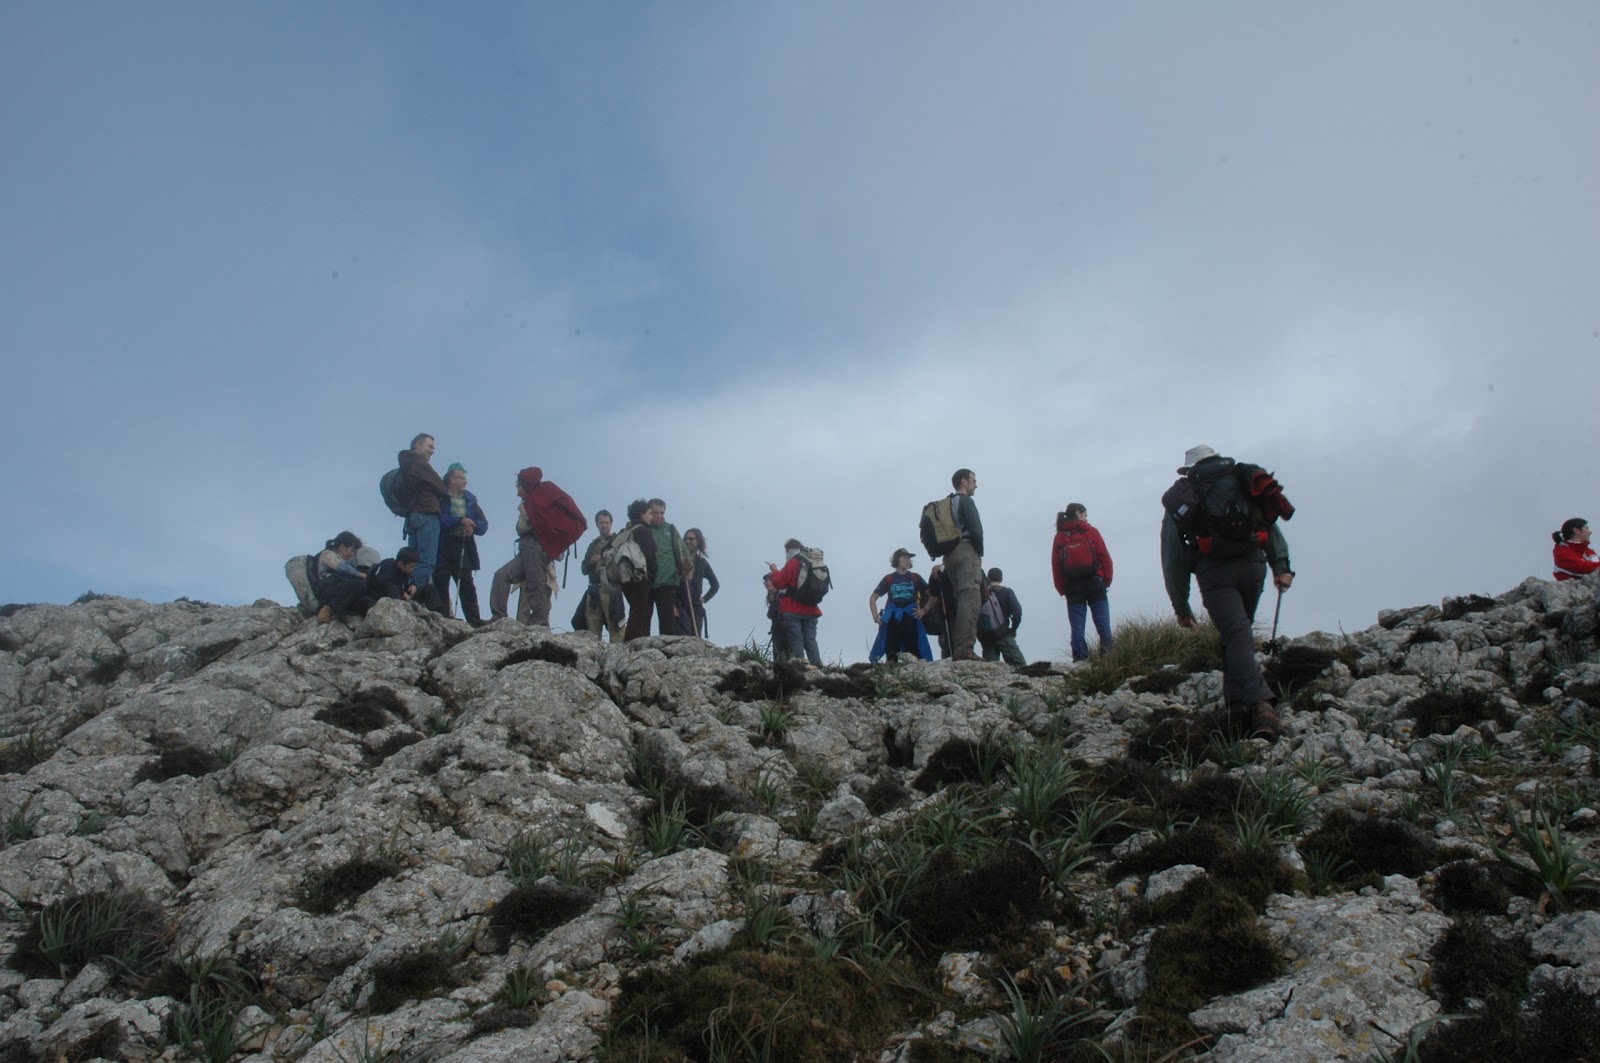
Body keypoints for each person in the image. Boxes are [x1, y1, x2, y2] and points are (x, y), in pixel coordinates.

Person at [1161, 445, 1294, 741]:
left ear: (1189, 469)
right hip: (1253, 565)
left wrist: (1181, 606)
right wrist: (1281, 566)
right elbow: (1268, 525)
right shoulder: (1242, 480)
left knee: (1236, 634)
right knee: (1237, 634)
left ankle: (1262, 707)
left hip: (1215, 573)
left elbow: (1173, 557)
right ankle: (1236, 708)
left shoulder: (1186, 494)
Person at [489, 468, 554, 626]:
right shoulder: (529, 501)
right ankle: (499, 618)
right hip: (526, 548)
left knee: (535, 585)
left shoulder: (537, 501)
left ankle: (540, 623)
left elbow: (541, 523)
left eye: (518, 484)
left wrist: (526, 513)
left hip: (535, 547)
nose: (516, 487)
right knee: (501, 575)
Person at [1052, 503, 1115, 661]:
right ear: (1078, 513)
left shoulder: (1060, 536)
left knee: (1077, 626)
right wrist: (1106, 581)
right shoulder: (1091, 531)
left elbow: (1056, 565)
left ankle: (1080, 658)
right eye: (1085, 515)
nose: (1086, 519)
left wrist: (1062, 589)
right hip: (1095, 582)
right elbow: (1104, 557)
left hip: (1073, 586)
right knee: (1103, 623)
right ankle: (1109, 656)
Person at [433, 463, 488, 625]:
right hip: (444, 544)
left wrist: (473, 525)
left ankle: (475, 621)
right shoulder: (441, 497)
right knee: (441, 580)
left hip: (463, 544)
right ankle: (443, 619)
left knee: (466, 583)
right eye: (462, 477)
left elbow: (483, 524)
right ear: (452, 479)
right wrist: (459, 520)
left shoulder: (470, 500)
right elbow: (437, 519)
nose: (465, 481)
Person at [397, 433, 448, 603]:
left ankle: (409, 592)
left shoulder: (406, 464)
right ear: (418, 445)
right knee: (426, 560)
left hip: (413, 517)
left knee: (413, 559)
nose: (432, 451)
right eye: (430, 446)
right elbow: (441, 487)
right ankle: (417, 596)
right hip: (427, 514)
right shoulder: (419, 463)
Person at [942, 469, 985, 661]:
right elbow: (976, 530)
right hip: (966, 550)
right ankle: (964, 650)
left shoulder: (947, 503)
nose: (976, 485)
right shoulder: (965, 501)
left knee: (960, 599)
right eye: (973, 481)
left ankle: (956, 648)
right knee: (970, 598)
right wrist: (979, 552)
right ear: (964, 482)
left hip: (949, 554)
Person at [869, 548, 933, 663]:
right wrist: (876, 617)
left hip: (911, 616)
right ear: (897, 560)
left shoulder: (915, 577)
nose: (908, 560)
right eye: (905, 557)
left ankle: (914, 670)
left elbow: (932, 594)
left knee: (913, 650)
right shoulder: (888, 579)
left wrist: (924, 610)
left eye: (909, 558)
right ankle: (892, 670)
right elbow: (873, 598)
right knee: (891, 651)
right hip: (893, 617)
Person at [768, 538, 823, 666]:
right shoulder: (812, 562)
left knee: (796, 640)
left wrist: (774, 571)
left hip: (793, 609)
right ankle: (817, 667)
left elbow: (780, 583)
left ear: (788, 549)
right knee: (810, 640)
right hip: (811, 609)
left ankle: (801, 667)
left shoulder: (792, 562)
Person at [646, 498, 693, 636]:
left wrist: (688, 566)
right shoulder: (643, 529)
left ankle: (666, 647)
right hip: (647, 581)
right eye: (655, 513)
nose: (659, 516)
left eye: (662, 513)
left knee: (667, 622)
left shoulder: (670, 529)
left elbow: (681, 550)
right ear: (649, 512)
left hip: (668, 581)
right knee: (644, 619)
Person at [578, 509, 626, 641]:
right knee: (593, 624)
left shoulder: (617, 541)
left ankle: (618, 652)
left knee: (615, 623)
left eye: (606, 522)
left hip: (611, 587)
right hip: (594, 588)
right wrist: (591, 562)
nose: (604, 525)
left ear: (611, 523)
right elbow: (584, 569)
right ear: (597, 524)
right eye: (601, 523)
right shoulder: (593, 545)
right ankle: (594, 651)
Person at [314, 531, 377, 622]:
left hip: (342, 590)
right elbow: (341, 567)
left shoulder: (348, 563)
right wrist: (359, 574)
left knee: (365, 598)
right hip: (328, 588)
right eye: (352, 550)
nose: (353, 554)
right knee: (355, 585)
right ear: (342, 546)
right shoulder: (327, 554)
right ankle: (327, 609)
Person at [620, 499, 658, 641]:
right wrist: (652, 575)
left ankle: (630, 642)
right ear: (642, 514)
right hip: (641, 576)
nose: (651, 517)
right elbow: (650, 554)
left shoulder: (627, 531)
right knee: (641, 613)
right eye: (649, 513)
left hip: (626, 578)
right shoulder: (644, 531)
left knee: (634, 611)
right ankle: (634, 643)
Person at [368, 547, 441, 608]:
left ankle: (437, 614)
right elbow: (385, 583)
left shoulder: (405, 572)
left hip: (402, 598)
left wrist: (412, 586)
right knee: (393, 588)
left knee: (429, 588)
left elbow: (403, 586)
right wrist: (402, 592)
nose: (413, 570)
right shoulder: (387, 565)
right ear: (401, 564)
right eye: (411, 567)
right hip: (379, 599)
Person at [981, 568, 1026, 666]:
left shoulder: (982, 594)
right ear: (1001, 579)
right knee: (1019, 665)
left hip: (986, 636)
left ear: (988, 579)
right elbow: (1017, 612)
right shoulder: (1007, 592)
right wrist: (1013, 629)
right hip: (1003, 634)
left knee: (990, 667)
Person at [678, 528, 719, 637]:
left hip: (695, 607)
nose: (688, 541)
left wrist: (704, 599)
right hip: (680, 605)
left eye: (691, 539)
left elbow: (715, 585)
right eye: (686, 539)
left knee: (694, 640)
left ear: (698, 541)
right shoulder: (678, 560)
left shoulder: (702, 562)